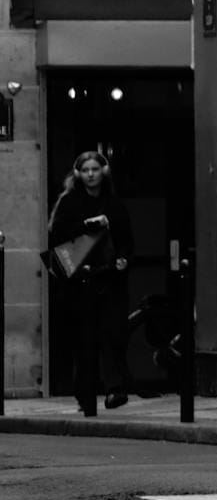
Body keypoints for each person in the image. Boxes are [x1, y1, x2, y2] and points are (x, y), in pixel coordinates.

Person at [47, 150, 135, 415]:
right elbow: (58, 237)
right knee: (83, 338)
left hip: (108, 277)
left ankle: (114, 388)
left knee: (111, 333)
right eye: (86, 170)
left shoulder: (113, 203)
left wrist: (123, 259)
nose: (90, 175)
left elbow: (127, 240)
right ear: (78, 174)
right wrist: (87, 225)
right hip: (79, 280)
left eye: (95, 169)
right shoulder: (69, 202)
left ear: (103, 172)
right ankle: (84, 394)